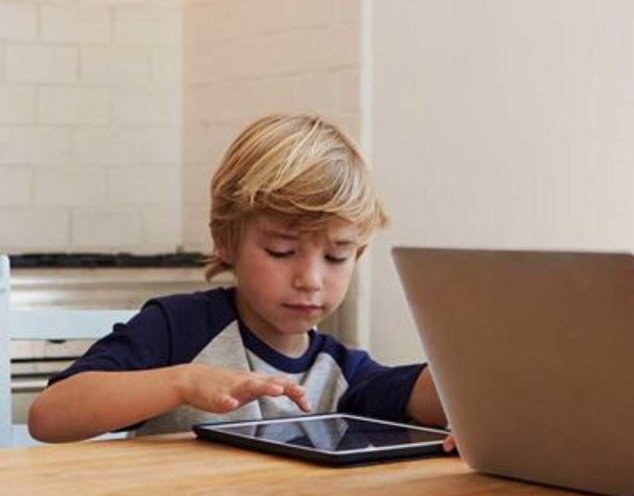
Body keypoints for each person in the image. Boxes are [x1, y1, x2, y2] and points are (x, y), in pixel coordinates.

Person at [27, 113, 447, 442]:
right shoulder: (179, 329)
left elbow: (442, 395)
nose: (310, 279)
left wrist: (470, 426)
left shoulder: (344, 372)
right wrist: (183, 382)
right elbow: (49, 417)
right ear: (225, 241)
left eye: (338, 256)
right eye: (281, 251)